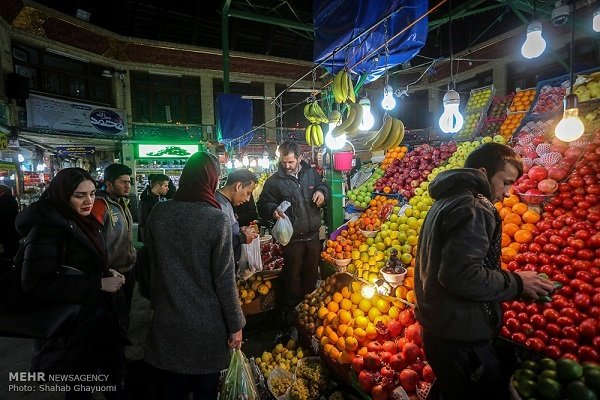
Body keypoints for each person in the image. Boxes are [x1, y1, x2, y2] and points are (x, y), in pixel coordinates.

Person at [414, 143, 555, 400]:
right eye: (506, 182)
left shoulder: (448, 199)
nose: (508, 193)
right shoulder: (475, 207)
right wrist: (517, 283)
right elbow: (461, 276)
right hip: (460, 335)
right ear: (482, 172)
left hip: (439, 329)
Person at [15, 168, 126, 399]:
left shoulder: (81, 221)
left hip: (98, 323)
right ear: (63, 194)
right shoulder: (47, 230)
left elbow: (81, 263)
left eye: (93, 194)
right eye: (80, 195)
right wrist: (98, 283)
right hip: (73, 331)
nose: (89, 201)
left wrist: (107, 272)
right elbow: (36, 282)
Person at [144, 152, 245, 400]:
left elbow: (151, 267)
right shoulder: (215, 219)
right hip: (206, 325)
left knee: (172, 388)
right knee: (205, 390)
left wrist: (156, 304)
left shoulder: (159, 213)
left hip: (168, 319)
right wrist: (236, 324)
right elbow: (224, 279)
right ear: (210, 181)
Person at [257, 141, 330, 323]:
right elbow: (263, 204)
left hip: (313, 237)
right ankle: (291, 316)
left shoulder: (311, 174)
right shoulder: (274, 182)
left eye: (290, 162)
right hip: (291, 240)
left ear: (299, 158)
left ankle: (308, 312)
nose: (287, 166)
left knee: (311, 276)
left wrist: (322, 193)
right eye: (284, 162)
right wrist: (273, 210)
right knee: (292, 278)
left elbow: (324, 186)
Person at [91, 163, 136, 331]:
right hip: (112, 272)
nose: (127, 186)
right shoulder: (100, 205)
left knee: (125, 315)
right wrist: (105, 270)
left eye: (129, 182)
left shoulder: (123, 203)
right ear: (109, 184)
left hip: (128, 269)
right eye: (122, 182)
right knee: (114, 319)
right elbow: (92, 239)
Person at [216, 169, 259, 266]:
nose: (248, 199)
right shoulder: (219, 205)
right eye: (248, 193)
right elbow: (219, 244)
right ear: (238, 186)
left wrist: (238, 230)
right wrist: (242, 237)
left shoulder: (225, 202)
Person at [138, 173, 169, 243]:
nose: (168, 188)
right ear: (158, 186)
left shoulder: (163, 199)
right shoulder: (145, 202)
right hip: (152, 240)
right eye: (165, 186)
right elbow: (143, 223)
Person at [0, 185, 19, 265]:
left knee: (7, 248)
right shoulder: (13, 201)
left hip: (4, 229)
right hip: (13, 229)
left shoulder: (1, 201)